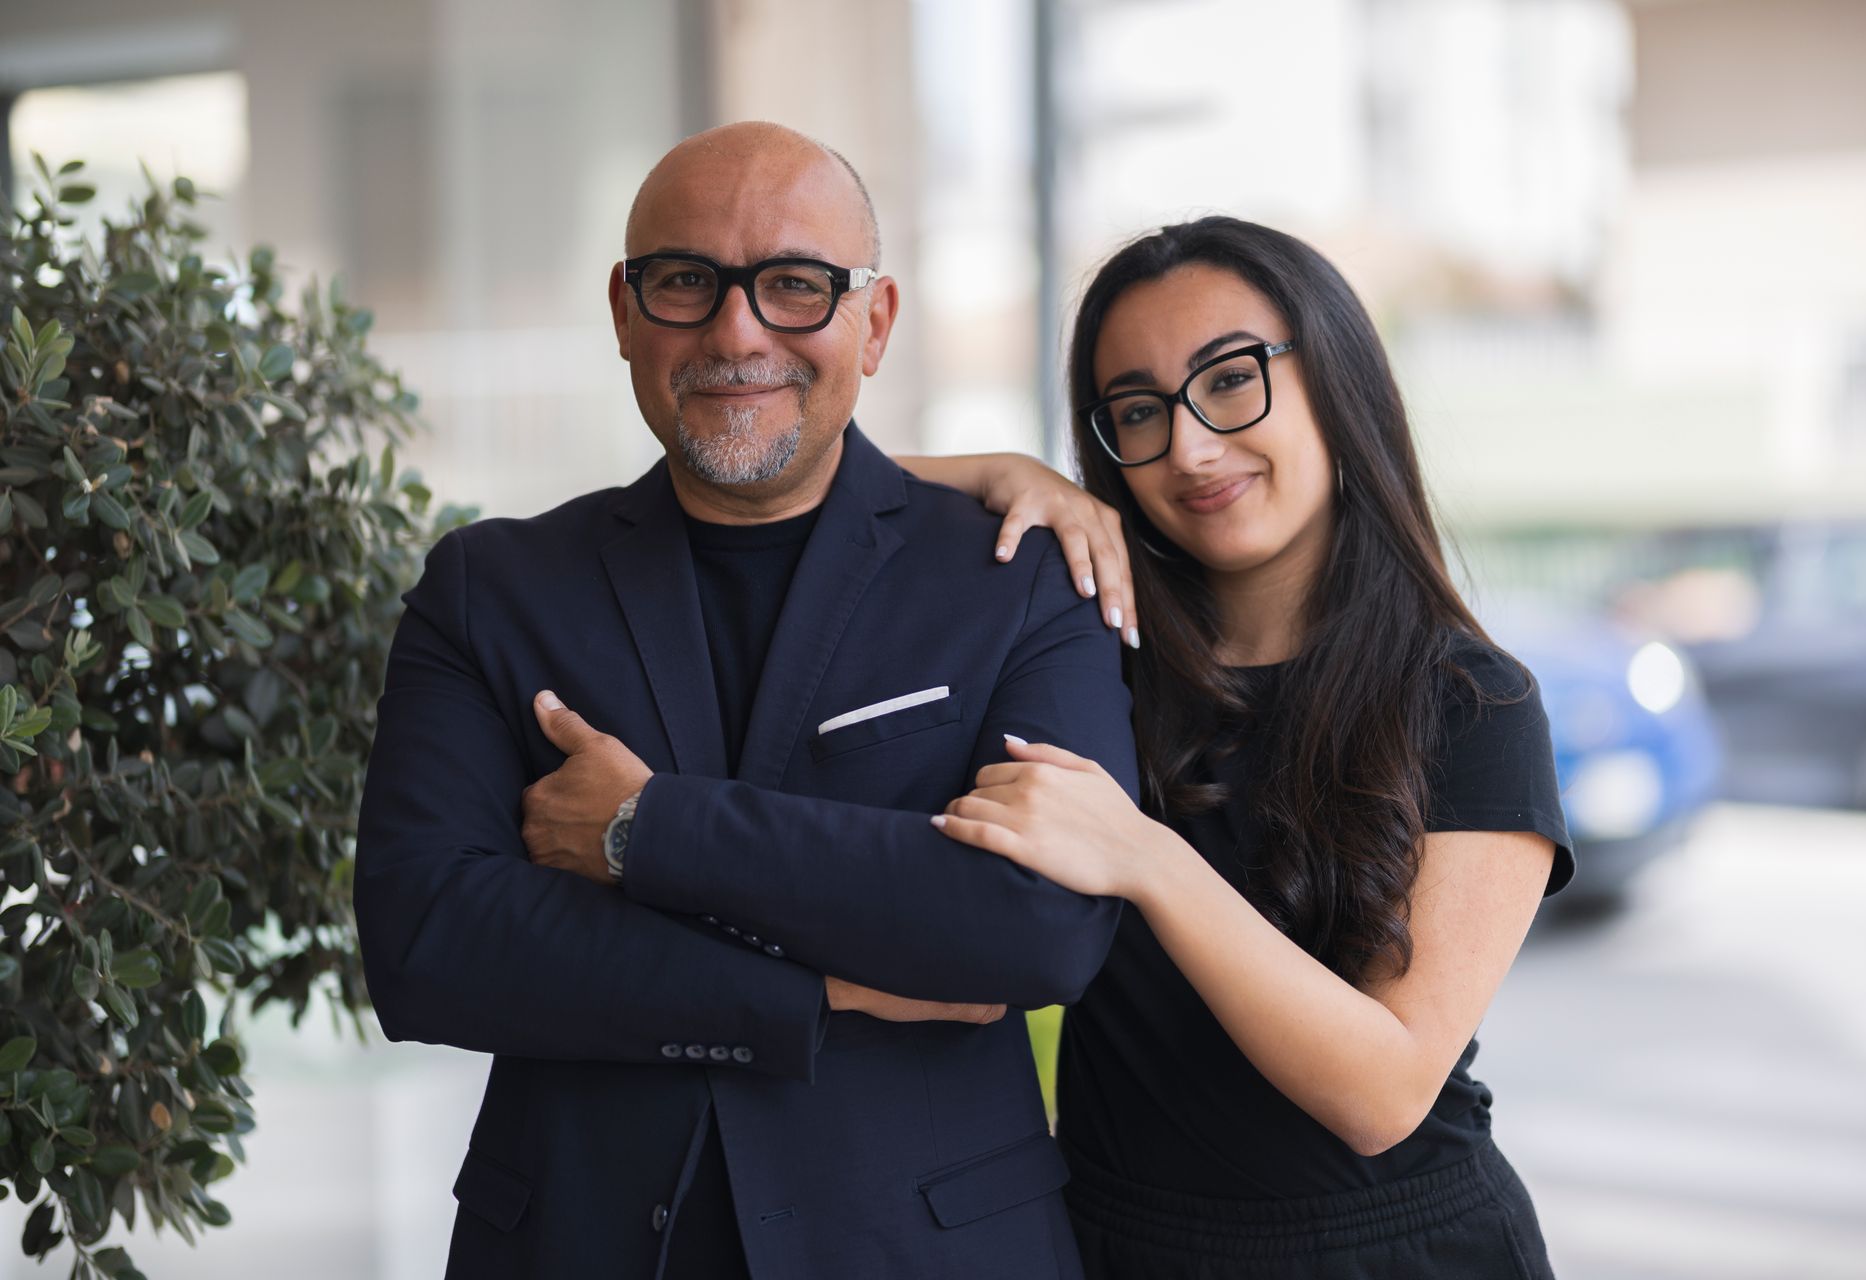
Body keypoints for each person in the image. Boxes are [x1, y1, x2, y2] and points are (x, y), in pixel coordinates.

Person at [352, 121, 1138, 1280]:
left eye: (794, 285)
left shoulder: (1017, 577)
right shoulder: (491, 588)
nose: (736, 330)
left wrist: (643, 828)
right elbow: (430, 943)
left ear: (873, 322)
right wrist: (819, 984)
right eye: (686, 282)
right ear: (625, 311)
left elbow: (1038, 924)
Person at [898, 215, 1577, 1279]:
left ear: (1336, 377)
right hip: (1118, 1239)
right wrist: (998, 468)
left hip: (1396, 1253)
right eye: (1137, 410)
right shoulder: (1091, 653)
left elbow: (1384, 1091)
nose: (1190, 447)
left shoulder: (1470, 702)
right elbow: (796, 496)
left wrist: (1145, 855)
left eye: (1229, 380)